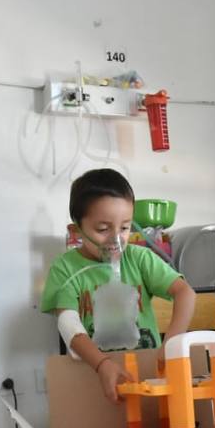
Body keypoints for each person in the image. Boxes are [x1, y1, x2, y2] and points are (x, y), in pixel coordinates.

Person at [40, 168, 196, 402]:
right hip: (94, 373)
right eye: (103, 229)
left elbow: (185, 293)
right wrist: (102, 364)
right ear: (76, 230)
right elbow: (67, 322)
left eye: (124, 228)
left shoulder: (139, 258)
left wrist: (171, 343)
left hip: (146, 372)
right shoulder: (66, 269)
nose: (116, 239)